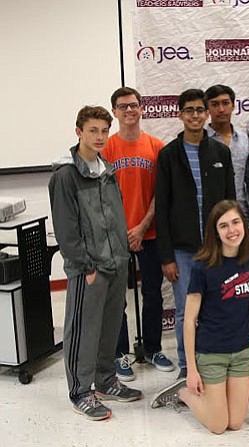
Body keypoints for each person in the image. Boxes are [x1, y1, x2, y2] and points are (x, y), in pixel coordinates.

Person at [49, 106, 141, 421]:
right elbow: (66, 227)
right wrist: (84, 265)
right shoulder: (65, 175)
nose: (100, 137)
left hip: (116, 261)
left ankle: (105, 381)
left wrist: (122, 256)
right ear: (79, 132)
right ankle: (81, 391)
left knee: (110, 327)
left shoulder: (108, 169)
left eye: (104, 130)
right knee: (83, 331)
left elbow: (115, 217)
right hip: (88, 268)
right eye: (93, 130)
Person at [150, 201, 249, 435]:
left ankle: (214, 397)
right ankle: (183, 394)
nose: (232, 230)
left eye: (236, 222)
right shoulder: (203, 267)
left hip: (242, 352)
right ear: (215, 232)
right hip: (212, 354)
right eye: (223, 226)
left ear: (244, 225)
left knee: (236, 423)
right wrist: (192, 370)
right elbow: (189, 320)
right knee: (218, 426)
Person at [155, 88, 236, 379]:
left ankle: (214, 364)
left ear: (206, 113)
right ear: (180, 114)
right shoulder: (168, 155)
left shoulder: (220, 152)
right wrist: (166, 256)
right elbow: (161, 210)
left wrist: (231, 247)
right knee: (184, 313)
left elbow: (231, 204)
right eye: (189, 110)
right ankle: (187, 367)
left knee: (216, 308)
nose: (195, 115)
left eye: (200, 110)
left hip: (216, 249)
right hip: (182, 250)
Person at [102, 87, 174, 382]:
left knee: (153, 294)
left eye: (133, 105)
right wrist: (124, 230)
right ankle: (119, 354)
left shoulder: (156, 146)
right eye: (122, 107)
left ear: (141, 108)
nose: (129, 111)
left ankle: (154, 348)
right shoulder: (107, 148)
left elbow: (160, 193)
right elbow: (101, 197)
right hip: (117, 235)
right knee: (116, 297)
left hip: (150, 232)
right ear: (115, 112)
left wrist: (142, 226)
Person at [205, 84, 249, 221]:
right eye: (215, 104)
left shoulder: (245, 139)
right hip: (210, 218)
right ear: (207, 109)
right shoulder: (201, 141)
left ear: (233, 105)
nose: (221, 109)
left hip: (242, 216)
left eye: (225, 103)